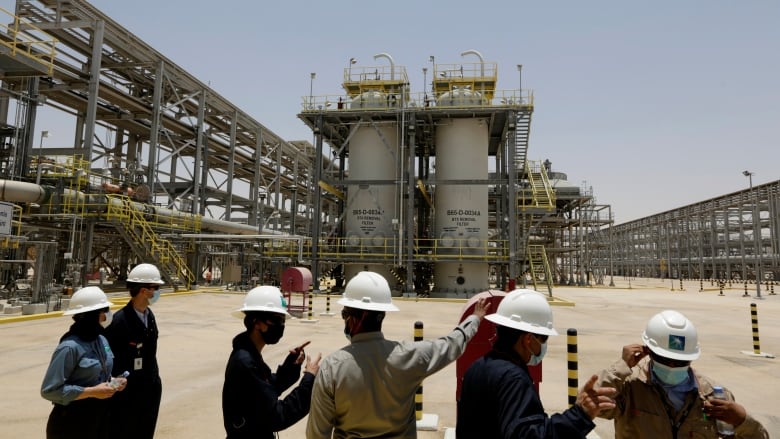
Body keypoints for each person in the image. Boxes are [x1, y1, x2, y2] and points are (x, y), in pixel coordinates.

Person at [306, 271, 489, 438]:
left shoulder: (332, 368)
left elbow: (317, 434)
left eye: (344, 314)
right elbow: (451, 344)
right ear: (383, 314)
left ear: (351, 318)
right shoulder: (410, 355)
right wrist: (474, 319)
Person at [457, 289, 616, 438]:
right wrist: (579, 415)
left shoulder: (477, 366)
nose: (544, 344)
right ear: (528, 339)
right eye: (544, 338)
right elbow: (529, 435)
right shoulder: (514, 379)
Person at [597, 309, 769, 438]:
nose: (672, 366)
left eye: (680, 361)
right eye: (666, 359)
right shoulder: (630, 389)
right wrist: (620, 367)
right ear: (648, 351)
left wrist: (743, 421)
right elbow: (593, 406)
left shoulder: (714, 396)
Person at [222, 285, 321, 439]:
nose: (281, 326)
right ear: (256, 322)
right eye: (276, 320)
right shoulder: (245, 363)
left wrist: (291, 366)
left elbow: (268, 389)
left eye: (282, 320)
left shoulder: (249, 355)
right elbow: (277, 416)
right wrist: (309, 379)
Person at [41, 286, 128, 439]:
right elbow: (50, 390)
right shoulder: (69, 347)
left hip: (99, 419)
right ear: (92, 315)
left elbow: (99, 375)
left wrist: (113, 381)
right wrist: (91, 392)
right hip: (72, 423)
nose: (107, 315)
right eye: (104, 310)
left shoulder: (101, 340)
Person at [104, 263, 165, 439]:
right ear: (144, 291)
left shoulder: (149, 316)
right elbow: (110, 360)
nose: (157, 293)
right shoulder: (119, 322)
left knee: (145, 431)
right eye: (156, 288)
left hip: (149, 386)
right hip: (128, 392)